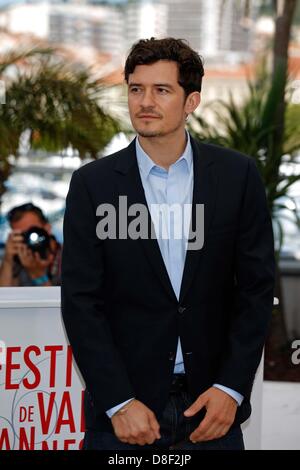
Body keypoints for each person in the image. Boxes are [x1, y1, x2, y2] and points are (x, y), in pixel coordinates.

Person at [61, 37, 275, 450]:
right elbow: (81, 300)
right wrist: (119, 402)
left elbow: (255, 290)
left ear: (191, 100)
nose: (145, 101)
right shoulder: (93, 184)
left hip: (212, 412)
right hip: (125, 416)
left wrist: (231, 389)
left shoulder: (237, 176)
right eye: (136, 88)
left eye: (162, 90)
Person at [0, 202, 61, 287]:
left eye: (33, 231)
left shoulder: (68, 256)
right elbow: (4, 297)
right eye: (22, 235)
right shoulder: (17, 260)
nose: (29, 238)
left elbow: (65, 300)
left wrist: (38, 275)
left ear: (47, 228)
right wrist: (8, 260)